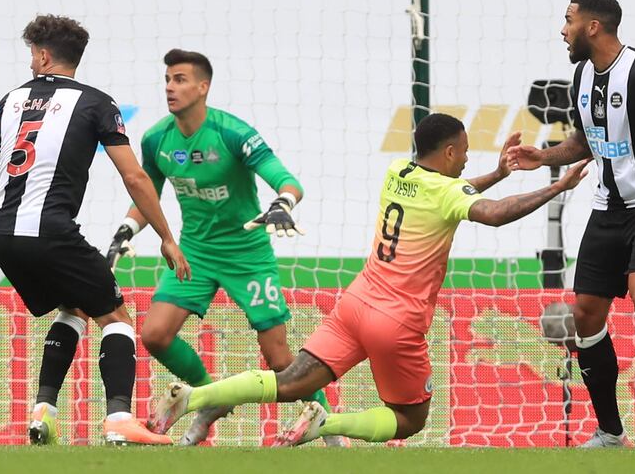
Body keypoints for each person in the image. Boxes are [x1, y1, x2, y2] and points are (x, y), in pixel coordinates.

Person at [146, 113, 589, 446]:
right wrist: (555, 187)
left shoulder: (398, 172)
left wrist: (498, 173)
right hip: (396, 322)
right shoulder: (449, 192)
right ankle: (329, 423)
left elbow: (458, 192)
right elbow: (491, 214)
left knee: (292, 380)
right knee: (410, 419)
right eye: (466, 150)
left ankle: (194, 398)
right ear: (450, 152)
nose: (469, 157)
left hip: (355, 304)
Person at [106, 49, 344, 446]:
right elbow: (147, 194)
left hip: (247, 254)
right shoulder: (155, 139)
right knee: (155, 334)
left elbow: (287, 180)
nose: (170, 86)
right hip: (195, 252)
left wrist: (282, 203)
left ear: (204, 87)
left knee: (280, 358)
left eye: (180, 79)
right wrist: (126, 230)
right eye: (167, 78)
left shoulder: (233, 133)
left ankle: (329, 427)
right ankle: (208, 401)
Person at [508, 0, 635, 448]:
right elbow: (586, 141)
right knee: (585, 315)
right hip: (607, 209)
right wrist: (541, 156)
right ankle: (609, 431)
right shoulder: (581, 75)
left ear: (593, 26)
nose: (563, 30)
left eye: (569, 20)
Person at [0, 15, 190, 445]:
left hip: (2, 236)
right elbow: (135, 177)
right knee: (116, 317)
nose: (30, 64)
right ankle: (119, 419)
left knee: (75, 308)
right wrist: (166, 237)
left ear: (43, 56)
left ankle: (43, 413)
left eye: (32, 55)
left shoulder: (9, 101)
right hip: (52, 233)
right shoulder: (96, 102)